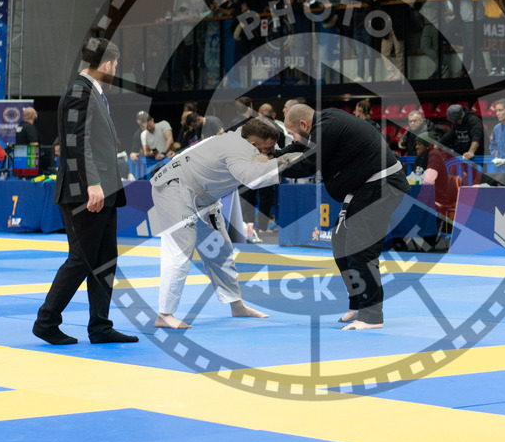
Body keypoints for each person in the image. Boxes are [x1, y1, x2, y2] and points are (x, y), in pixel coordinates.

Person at [33, 38, 138, 345]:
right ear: (106, 64)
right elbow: (76, 143)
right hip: (85, 190)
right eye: (115, 65)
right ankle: (46, 321)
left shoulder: (92, 92)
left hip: (102, 188)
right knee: (81, 258)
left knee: (105, 259)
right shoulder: (80, 92)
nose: (115, 70)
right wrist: (92, 183)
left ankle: (100, 325)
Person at [149, 119, 295, 328]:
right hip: (174, 189)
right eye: (268, 148)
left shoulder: (244, 139)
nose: (272, 151)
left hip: (202, 196)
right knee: (180, 251)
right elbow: (252, 179)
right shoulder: (235, 150)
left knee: (221, 250)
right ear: (253, 144)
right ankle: (164, 315)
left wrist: (279, 159)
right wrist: (283, 164)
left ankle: (236, 305)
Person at [282, 104, 411, 330]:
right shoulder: (321, 127)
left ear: (304, 124)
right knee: (340, 243)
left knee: (360, 250)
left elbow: (309, 163)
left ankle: (372, 316)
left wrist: (272, 169)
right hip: (364, 188)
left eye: (293, 132)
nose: (293, 138)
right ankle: (358, 303)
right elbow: (297, 148)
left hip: (382, 185)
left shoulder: (327, 126)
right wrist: (269, 155)